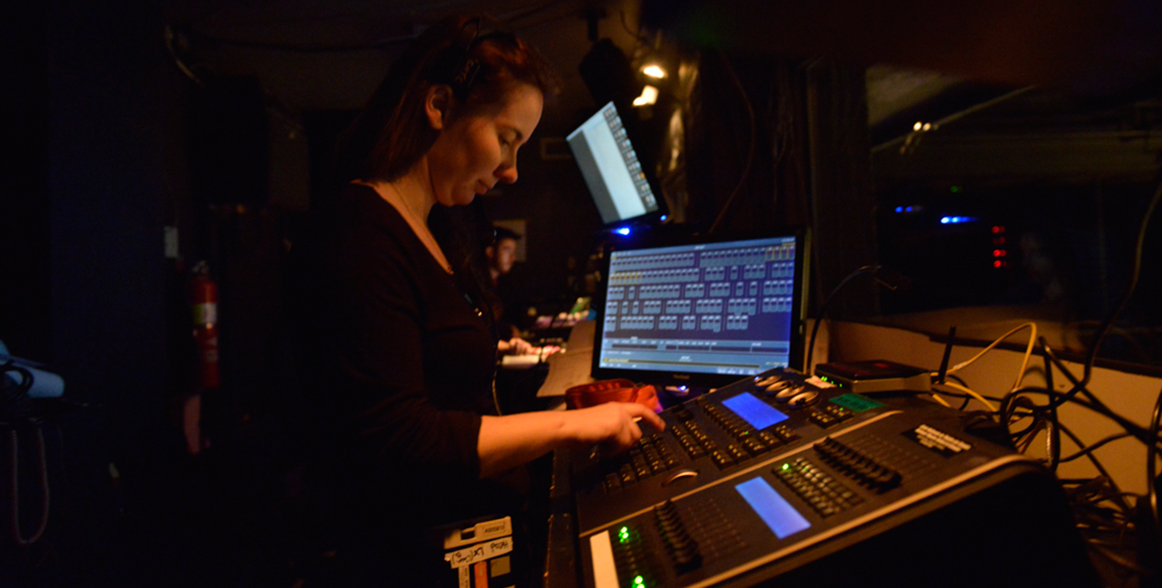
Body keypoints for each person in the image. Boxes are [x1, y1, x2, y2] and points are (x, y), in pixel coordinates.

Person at [284, 15, 664, 587]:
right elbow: (404, 437)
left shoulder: (435, 229)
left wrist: (576, 417)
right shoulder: (360, 232)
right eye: (507, 140)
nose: (510, 172)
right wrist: (569, 426)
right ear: (439, 106)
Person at [484, 226, 538, 355]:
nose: (512, 258)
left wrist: (510, 329)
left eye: (514, 252)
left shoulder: (501, 285)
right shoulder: (479, 288)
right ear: (490, 252)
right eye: (507, 250)